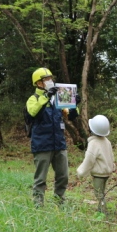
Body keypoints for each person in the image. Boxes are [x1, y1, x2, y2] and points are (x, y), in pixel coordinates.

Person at [27, 67, 79, 207]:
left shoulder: (58, 97)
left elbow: (71, 116)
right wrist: (46, 97)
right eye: (46, 79)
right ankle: (38, 205)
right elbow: (32, 112)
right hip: (42, 144)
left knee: (63, 176)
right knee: (41, 178)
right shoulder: (34, 99)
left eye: (50, 78)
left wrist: (74, 104)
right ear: (38, 83)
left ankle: (59, 202)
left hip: (59, 143)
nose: (50, 81)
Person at [77, 115, 115, 214]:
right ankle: (101, 209)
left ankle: (103, 212)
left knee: (98, 194)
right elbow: (111, 156)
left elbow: (89, 160)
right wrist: (112, 166)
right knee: (101, 192)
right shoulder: (107, 142)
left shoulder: (93, 143)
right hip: (106, 172)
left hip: (99, 173)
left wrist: (81, 172)